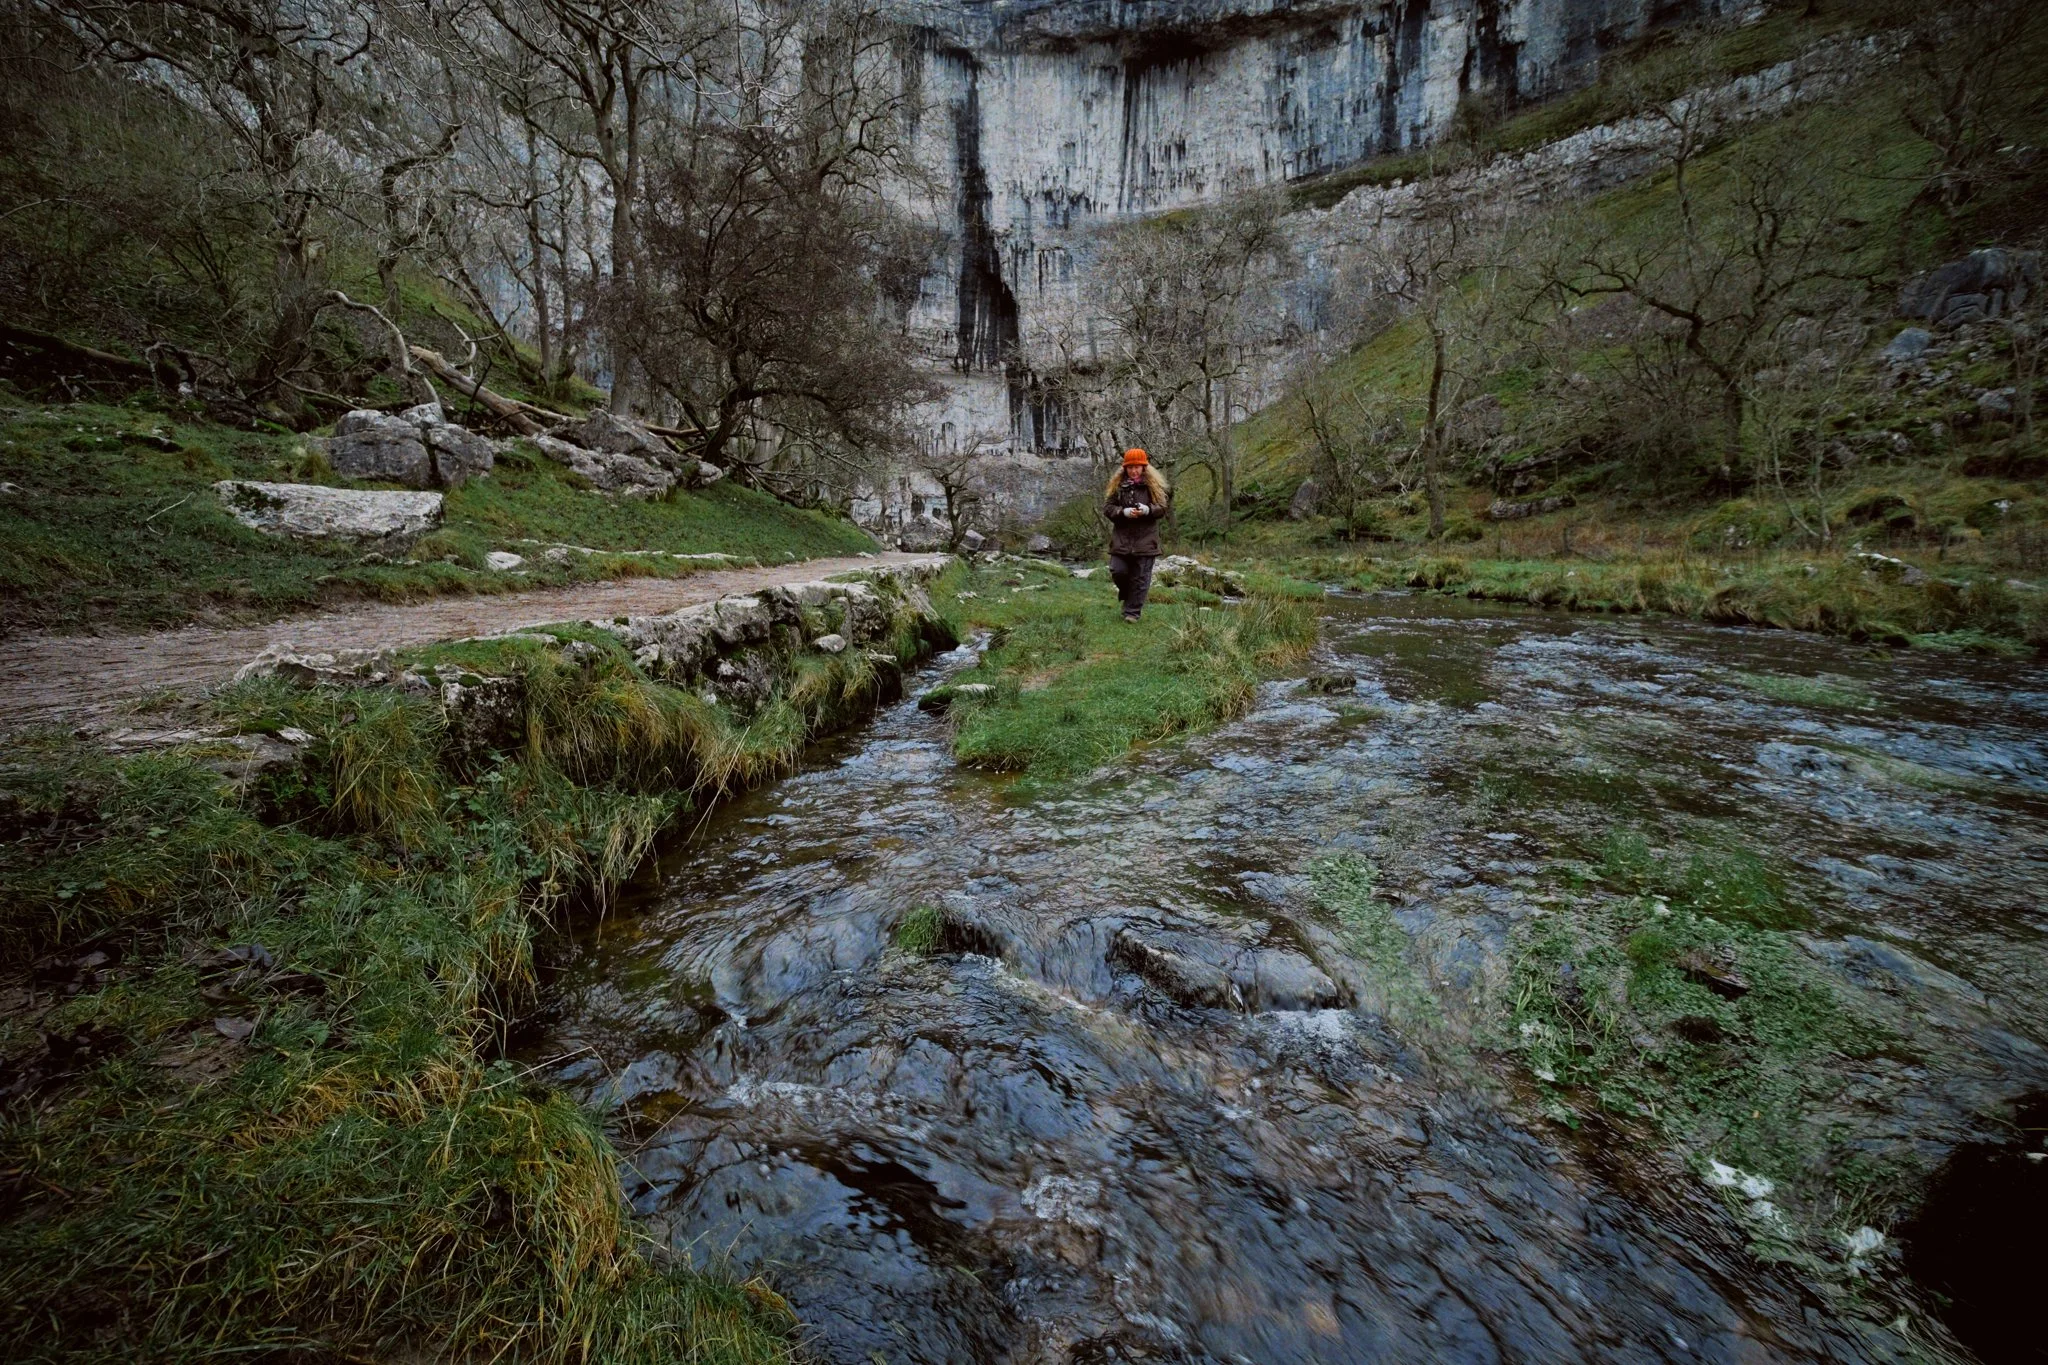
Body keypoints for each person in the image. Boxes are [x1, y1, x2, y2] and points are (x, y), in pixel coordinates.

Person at [1102, 447, 1169, 622]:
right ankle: (1126, 594)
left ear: (1144, 467)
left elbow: (1162, 508)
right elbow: (1108, 508)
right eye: (1130, 467)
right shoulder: (1118, 486)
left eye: (1137, 467)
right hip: (1121, 540)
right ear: (1125, 468)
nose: (1133, 471)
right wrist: (1123, 512)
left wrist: (1148, 510)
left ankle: (1132, 613)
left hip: (1146, 540)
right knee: (1118, 571)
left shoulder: (1153, 486)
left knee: (1141, 578)